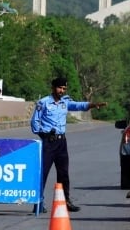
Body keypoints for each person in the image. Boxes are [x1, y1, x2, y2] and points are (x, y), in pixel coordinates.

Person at [30, 77, 107, 214]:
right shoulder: (44, 103)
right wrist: (44, 135)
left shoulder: (65, 102)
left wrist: (93, 105)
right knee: (43, 173)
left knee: (63, 173)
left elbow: (78, 105)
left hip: (61, 142)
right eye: (60, 88)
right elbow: (35, 122)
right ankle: (38, 202)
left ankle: (66, 201)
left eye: (64, 88)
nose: (62, 91)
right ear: (53, 87)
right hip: (49, 142)